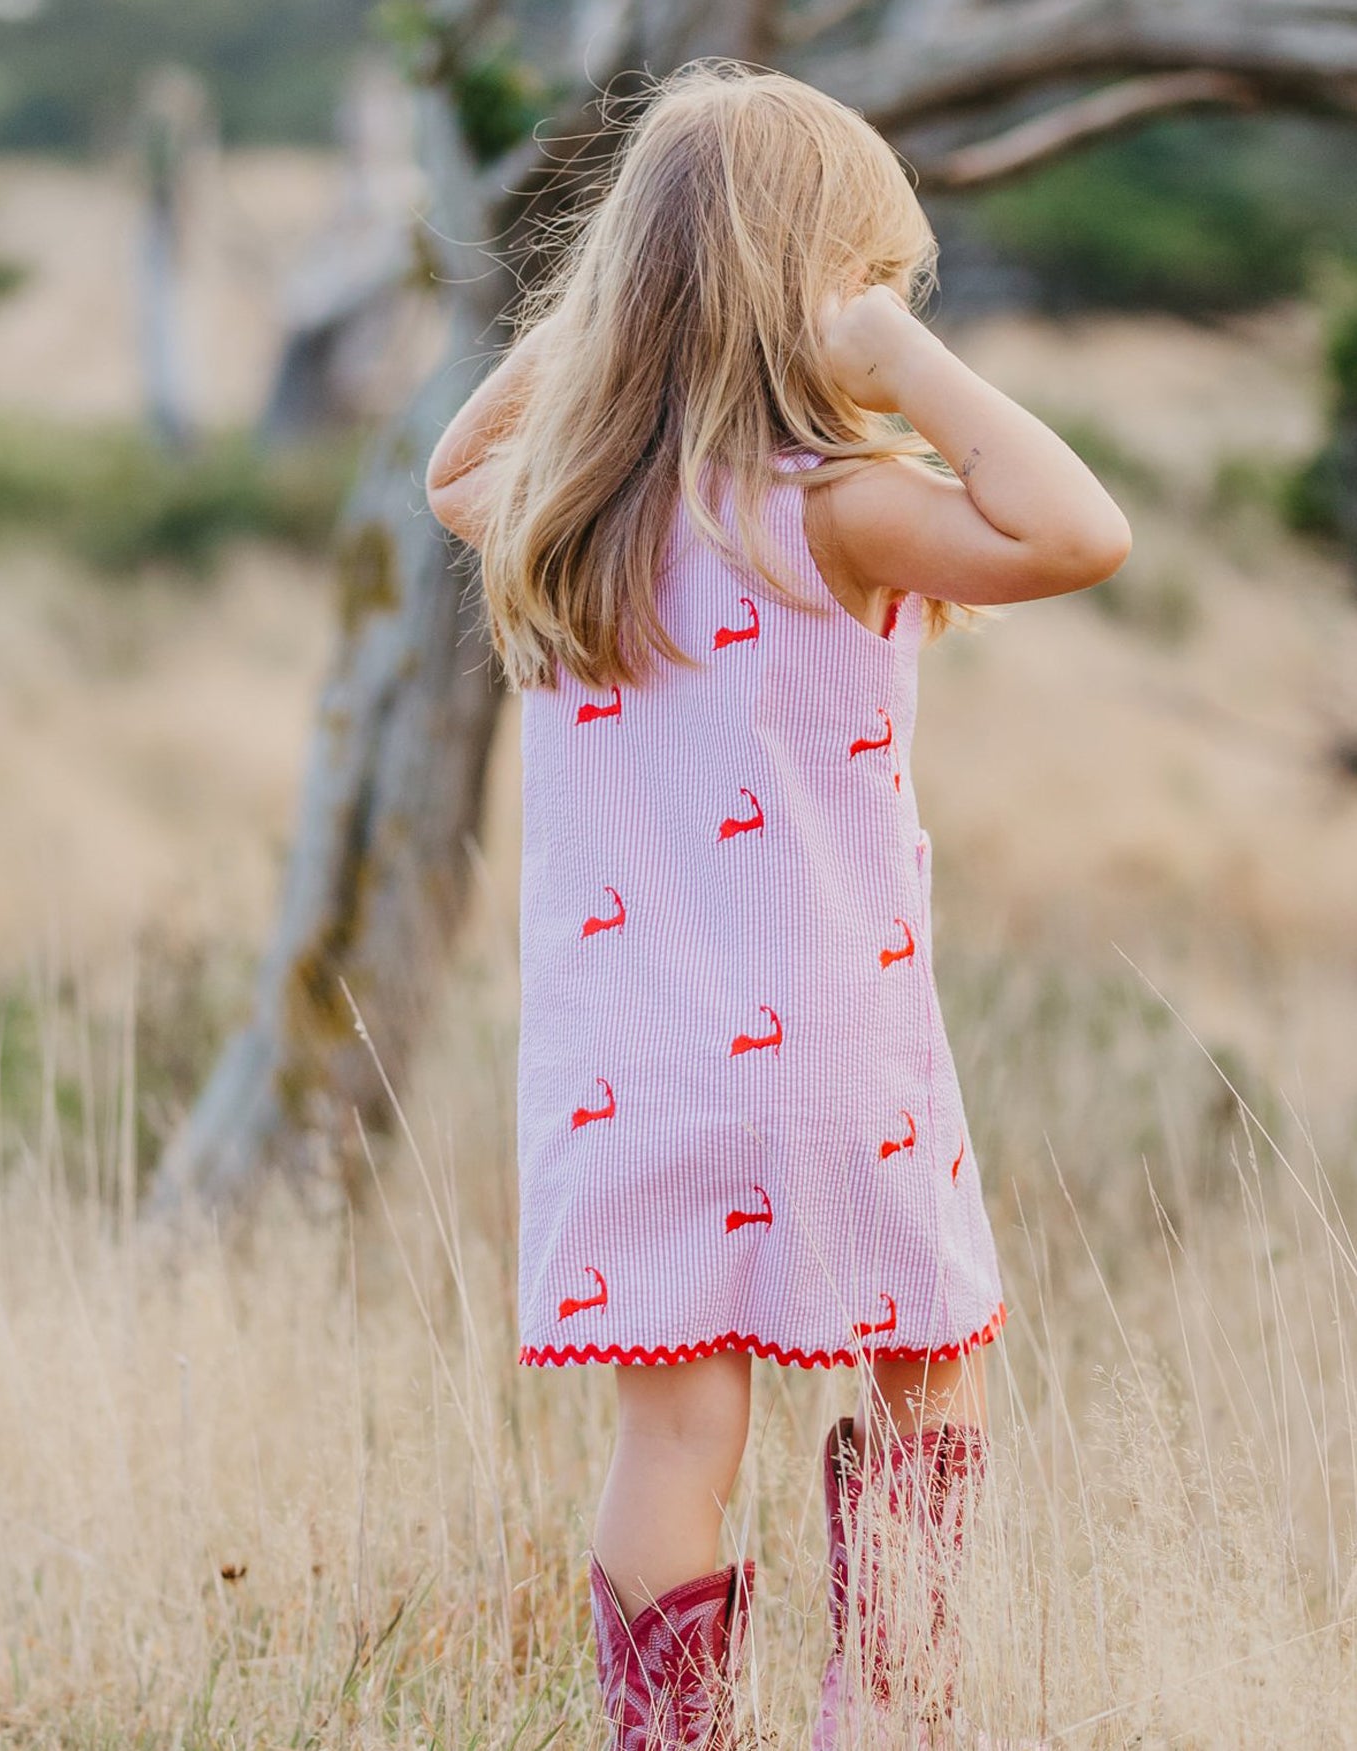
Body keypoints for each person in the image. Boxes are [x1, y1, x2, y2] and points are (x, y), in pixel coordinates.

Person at [426, 58, 1130, 1751]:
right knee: (923, 1372)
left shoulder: (563, 513)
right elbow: (1074, 532)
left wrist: (618, 312)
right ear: (829, 296)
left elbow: (456, 461)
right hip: (824, 1040)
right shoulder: (828, 506)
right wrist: (896, 360)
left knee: (672, 1436)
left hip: (623, 1063)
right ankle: (879, 1720)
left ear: (628, 289)